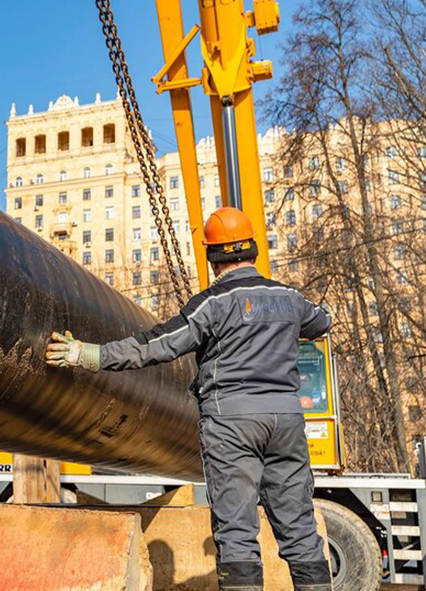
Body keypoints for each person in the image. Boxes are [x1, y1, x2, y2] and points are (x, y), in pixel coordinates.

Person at [45, 207, 333, 591]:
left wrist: (89, 355)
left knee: (237, 532)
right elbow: (322, 323)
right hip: (285, 420)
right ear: (254, 249)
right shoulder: (288, 298)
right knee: (298, 527)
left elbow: (158, 345)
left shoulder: (213, 303)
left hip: (231, 423)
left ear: (213, 257)